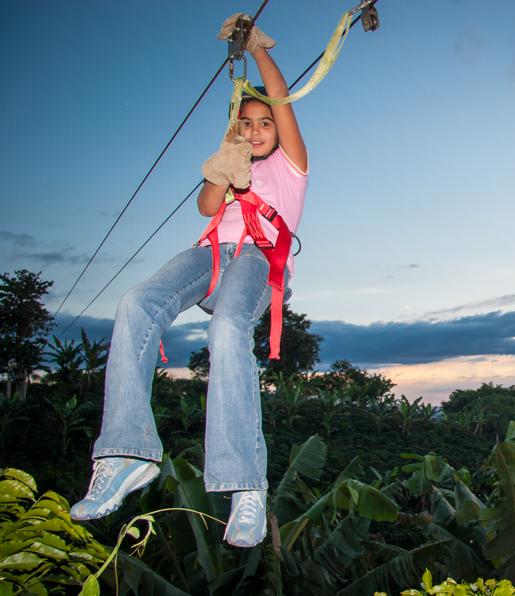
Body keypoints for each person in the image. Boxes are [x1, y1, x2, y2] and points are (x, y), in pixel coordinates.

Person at [70, 14, 308, 549]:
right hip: (211, 255)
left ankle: (245, 486)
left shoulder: (292, 166)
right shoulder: (232, 163)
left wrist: (257, 50)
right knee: (136, 302)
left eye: (263, 123)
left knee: (227, 330)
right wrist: (220, 170)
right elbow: (206, 206)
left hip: (258, 259)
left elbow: (278, 96)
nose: (254, 129)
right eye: (245, 123)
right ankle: (126, 453)